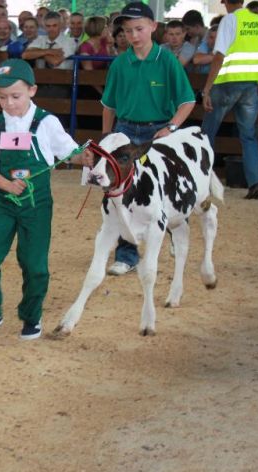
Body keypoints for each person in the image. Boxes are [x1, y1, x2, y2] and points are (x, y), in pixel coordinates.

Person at [0, 59, 93, 340]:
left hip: (37, 207)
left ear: (32, 90)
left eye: (15, 96)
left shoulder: (47, 123)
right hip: (3, 203)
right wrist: (7, 186)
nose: (8, 103)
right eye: (1, 97)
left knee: (34, 265)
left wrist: (85, 157)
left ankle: (31, 316)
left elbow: (69, 152)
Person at [101, 2, 195, 276]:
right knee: (122, 193)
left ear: (154, 27)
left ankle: (176, 230)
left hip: (159, 132)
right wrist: (107, 137)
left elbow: (187, 101)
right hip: (126, 132)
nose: (133, 36)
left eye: (139, 29)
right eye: (128, 31)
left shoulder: (167, 62)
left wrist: (172, 128)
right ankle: (127, 254)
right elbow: (108, 105)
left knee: (168, 187)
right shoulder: (120, 64)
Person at [201, 0, 258, 200]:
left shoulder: (229, 20)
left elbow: (219, 55)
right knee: (248, 135)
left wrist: (207, 89)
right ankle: (255, 182)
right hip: (250, 85)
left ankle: (203, 180)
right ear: (242, 1)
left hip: (227, 83)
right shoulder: (255, 19)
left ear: (223, 2)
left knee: (208, 133)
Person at [22, 11, 76, 103]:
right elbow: (25, 55)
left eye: (54, 25)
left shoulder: (70, 41)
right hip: (40, 82)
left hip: (61, 84)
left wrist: (39, 53)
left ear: (61, 25)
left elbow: (55, 61)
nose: (51, 29)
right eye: (48, 26)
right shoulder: (40, 39)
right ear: (44, 26)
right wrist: (49, 51)